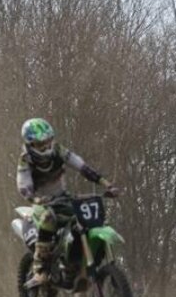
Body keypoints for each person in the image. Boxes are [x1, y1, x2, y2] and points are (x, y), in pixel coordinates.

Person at [17, 118, 120, 287]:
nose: (46, 146)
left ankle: (78, 263)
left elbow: (82, 167)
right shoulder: (26, 160)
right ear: (31, 145)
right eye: (41, 144)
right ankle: (39, 270)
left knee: (83, 218)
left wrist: (106, 184)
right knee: (48, 219)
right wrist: (35, 199)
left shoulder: (59, 151)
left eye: (48, 141)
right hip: (41, 202)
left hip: (62, 197)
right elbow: (23, 184)